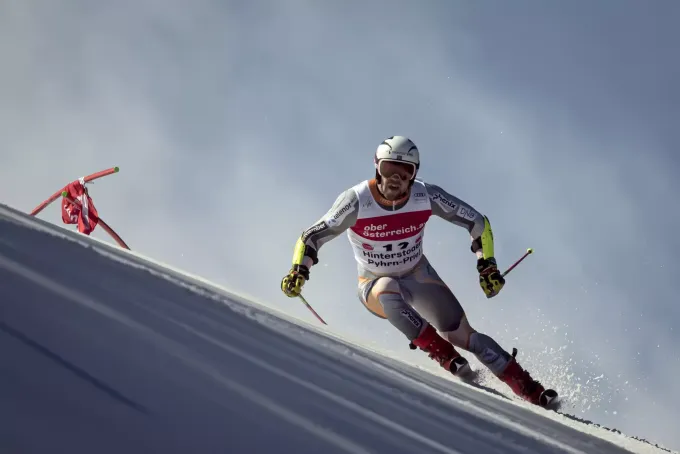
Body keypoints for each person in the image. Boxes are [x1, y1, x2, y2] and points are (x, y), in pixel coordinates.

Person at [280, 135, 558, 408]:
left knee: (465, 336)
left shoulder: (426, 195)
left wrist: (487, 267)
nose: (395, 179)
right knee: (387, 287)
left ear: (415, 175)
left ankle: (531, 390)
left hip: (418, 274)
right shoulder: (356, 200)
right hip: (374, 283)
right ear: (377, 166)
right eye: (389, 169)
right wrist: (299, 272)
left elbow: (478, 222)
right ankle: (443, 354)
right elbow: (312, 236)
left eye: (405, 172)